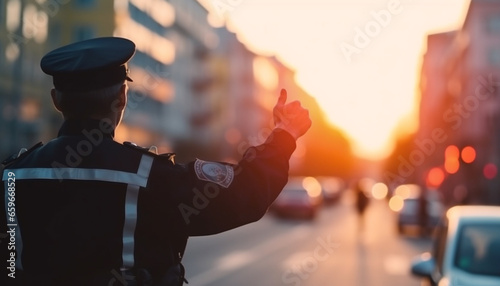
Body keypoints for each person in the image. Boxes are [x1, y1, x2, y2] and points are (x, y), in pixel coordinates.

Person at [0, 37, 311, 286]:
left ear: (56, 101)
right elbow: (247, 193)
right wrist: (283, 134)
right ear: (122, 98)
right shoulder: (149, 175)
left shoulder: (11, 177)